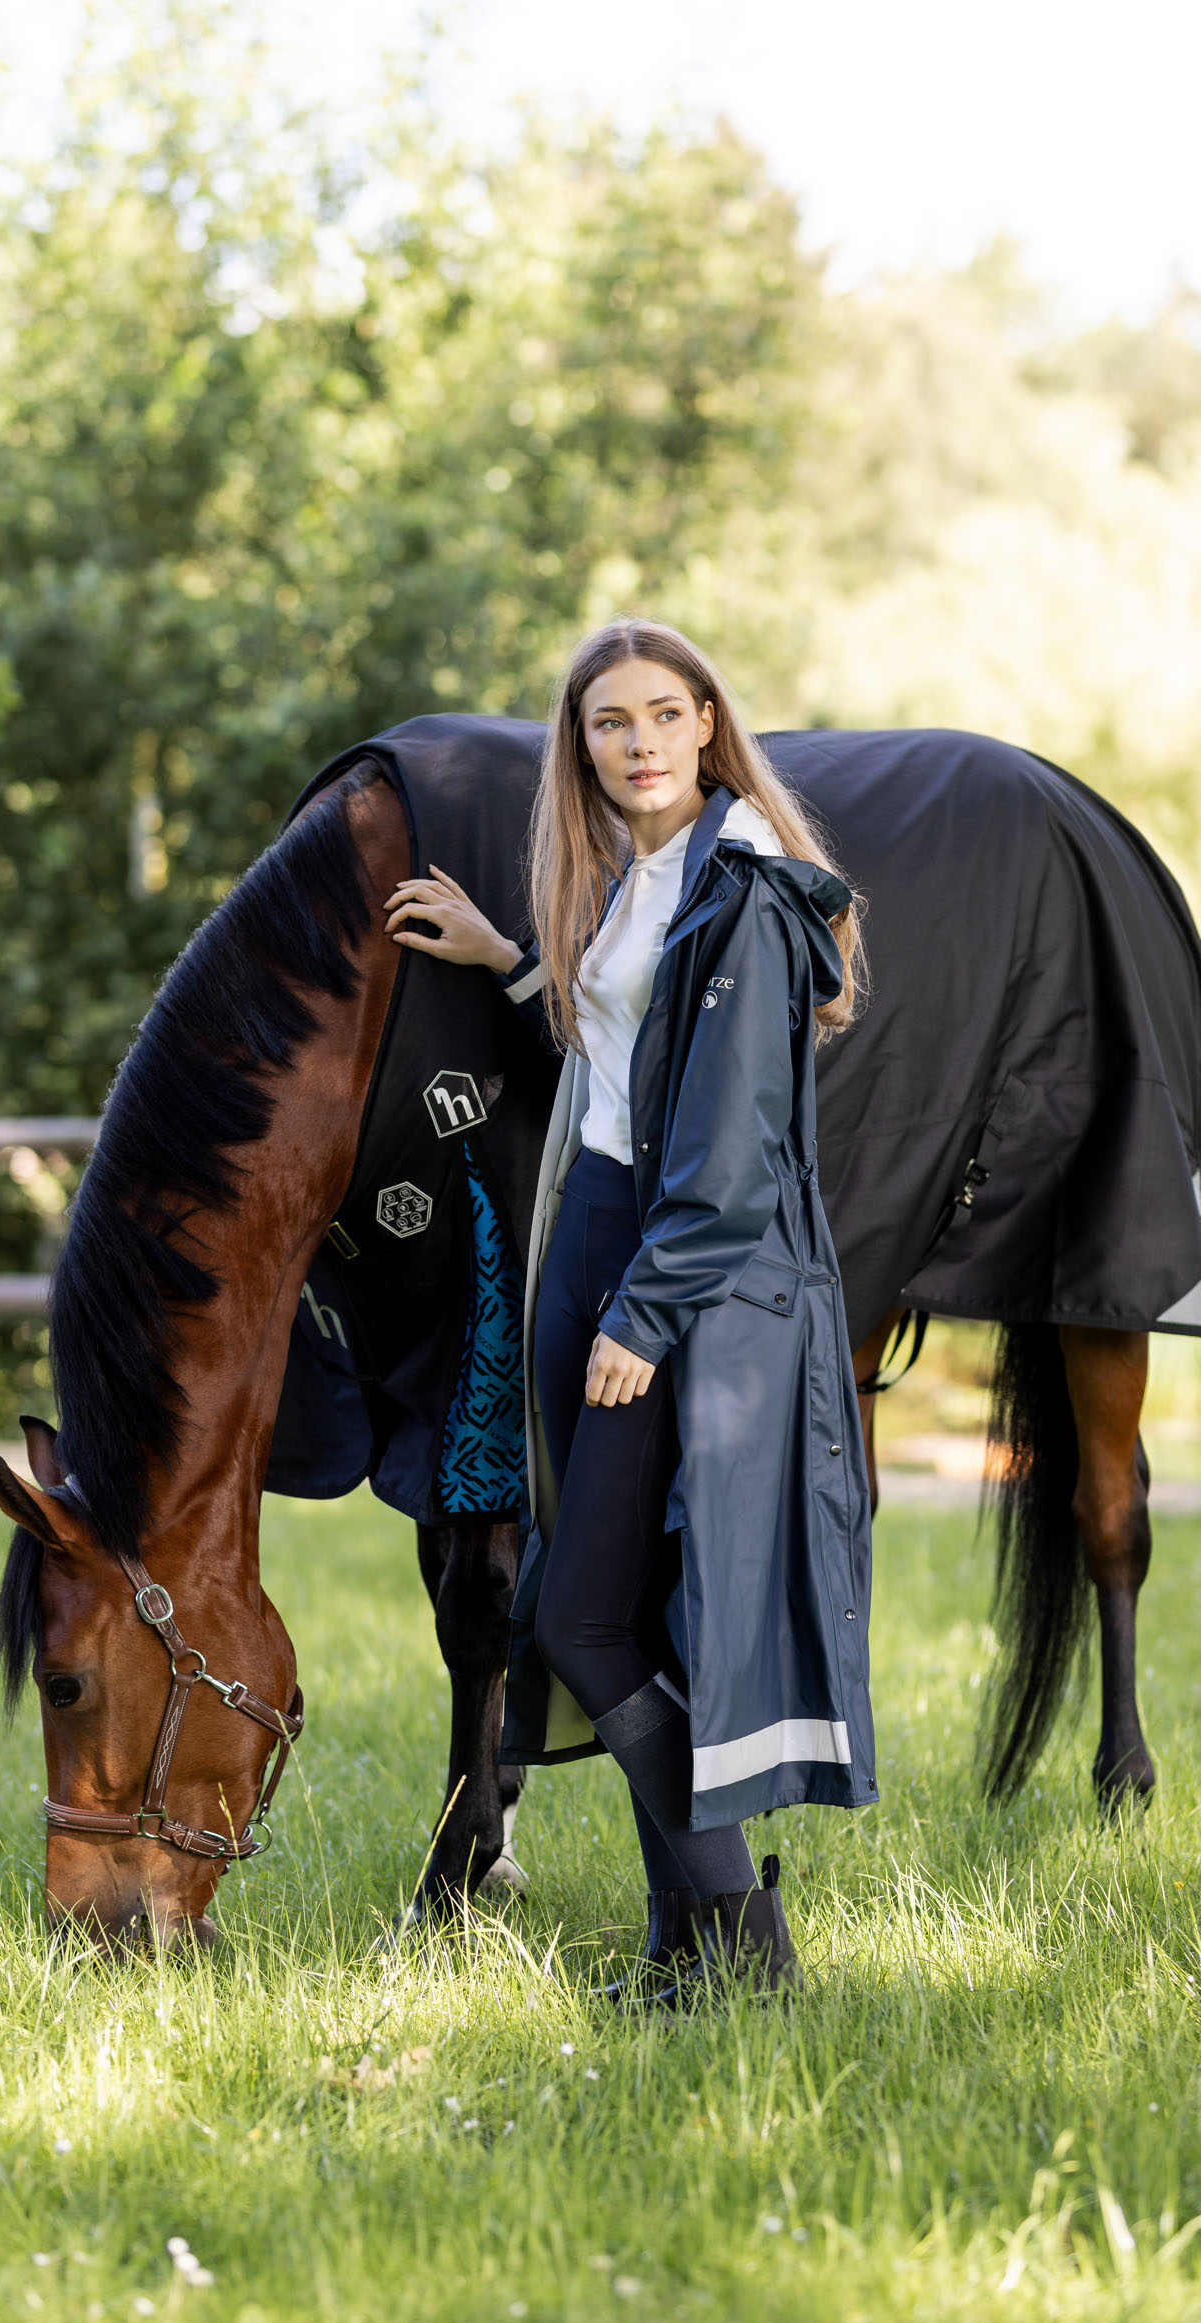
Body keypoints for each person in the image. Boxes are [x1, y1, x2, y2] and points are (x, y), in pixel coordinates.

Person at [384, 619, 875, 2002]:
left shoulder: (753, 889)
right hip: (590, 1240)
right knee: (616, 1611)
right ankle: (684, 1952)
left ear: (710, 726)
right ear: (581, 745)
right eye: (612, 722)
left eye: (667, 714)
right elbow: (625, 1059)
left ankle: (742, 1942)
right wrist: (514, 961)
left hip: (680, 1279)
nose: (642, 742)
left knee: (586, 1621)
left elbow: (729, 1142)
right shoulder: (638, 880)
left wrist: (642, 1318)